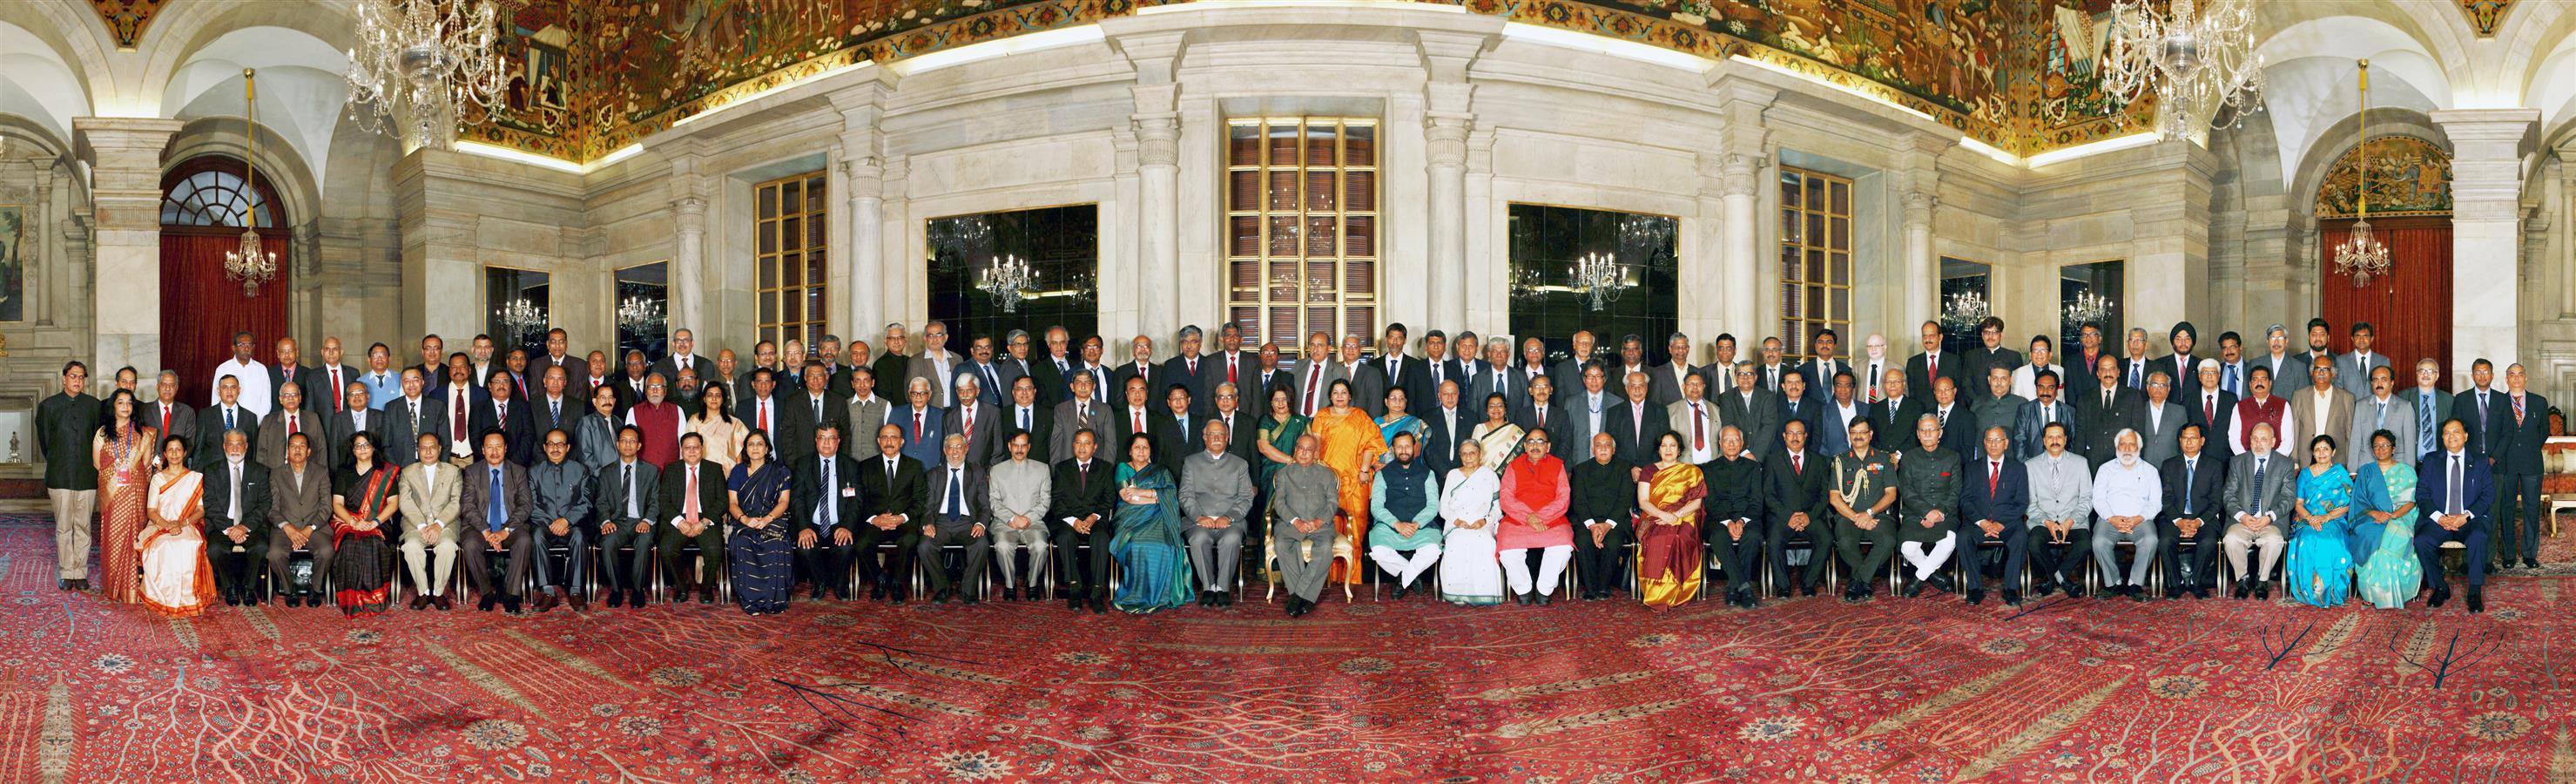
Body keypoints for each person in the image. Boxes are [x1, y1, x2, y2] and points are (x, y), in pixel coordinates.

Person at [1309, 380, 1386, 586]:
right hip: (1328, 480)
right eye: (1335, 392)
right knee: (1330, 529)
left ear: (1350, 396)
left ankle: (1353, 578)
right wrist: (1316, 464)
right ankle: (1329, 577)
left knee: (1355, 529)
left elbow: (1371, 445)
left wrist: (1364, 470)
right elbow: (1315, 441)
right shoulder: (1323, 416)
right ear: (1330, 396)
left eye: (1344, 392)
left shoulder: (1360, 416)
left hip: (1356, 480)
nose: (1340, 396)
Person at [2413, 419, 2492, 612]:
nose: (2451, 436)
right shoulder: (2432, 460)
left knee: (2478, 537)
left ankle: (2474, 591)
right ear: (2442, 437)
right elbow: (2421, 494)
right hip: (2440, 519)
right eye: (2447, 433)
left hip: (2469, 519)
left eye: (2456, 432)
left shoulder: (2480, 461)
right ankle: (2440, 586)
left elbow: (2488, 495)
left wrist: (2465, 516)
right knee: (2422, 541)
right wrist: (2439, 517)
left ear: (2466, 436)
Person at [1109, 433, 1193, 613]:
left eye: (1145, 447)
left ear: (1150, 451)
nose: (1141, 451)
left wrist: (1141, 491)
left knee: (1165, 545)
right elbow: (1127, 497)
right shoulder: (1123, 468)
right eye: (1137, 447)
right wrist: (1157, 497)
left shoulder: (1161, 471)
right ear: (1130, 451)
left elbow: (1171, 493)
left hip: (1158, 518)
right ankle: (1136, 594)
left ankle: (1161, 595)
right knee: (1135, 544)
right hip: (1130, 518)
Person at [135, 436, 217, 617]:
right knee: (163, 546)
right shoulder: (158, 479)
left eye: (178, 449)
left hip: (188, 524)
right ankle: (162, 596)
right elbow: (151, 511)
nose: (174, 453)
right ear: (164, 454)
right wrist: (167, 525)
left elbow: (201, 510)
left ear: (185, 452)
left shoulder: (195, 478)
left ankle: (189, 599)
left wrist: (181, 523)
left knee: (188, 544)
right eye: (170, 450)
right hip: (160, 525)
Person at [39, 362, 102, 591]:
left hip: (87, 476)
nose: (77, 380)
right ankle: (67, 573)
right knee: (64, 527)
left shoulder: (94, 406)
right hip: (60, 475)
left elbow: (98, 441)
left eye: (81, 377)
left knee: (84, 526)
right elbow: (45, 443)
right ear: (63, 378)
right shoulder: (48, 406)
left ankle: (80, 572)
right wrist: (60, 460)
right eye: (73, 376)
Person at [1179, 422, 1256, 606]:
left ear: (1227, 438)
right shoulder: (1191, 462)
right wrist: (1199, 517)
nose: (1216, 438)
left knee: (1231, 540)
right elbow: (1185, 495)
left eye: (1220, 434)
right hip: (1198, 521)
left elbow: (1246, 497)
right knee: (1198, 540)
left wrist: (1228, 517)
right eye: (1211, 435)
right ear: (1204, 438)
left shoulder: (1240, 464)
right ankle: (1208, 587)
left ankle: (1223, 588)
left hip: (1230, 521)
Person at [326, 431, 401, 618]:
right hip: (348, 521)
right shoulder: (344, 472)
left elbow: (393, 504)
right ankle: (352, 602)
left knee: (373, 544)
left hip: (378, 522)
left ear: (374, 447)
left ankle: (374, 600)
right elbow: (337, 504)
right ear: (352, 450)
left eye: (366, 444)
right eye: (358, 445)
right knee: (350, 544)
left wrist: (374, 522)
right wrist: (353, 522)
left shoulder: (385, 472)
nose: (362, 449)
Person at [91, 389, 155, 604]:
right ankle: (113, 587)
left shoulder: (142, 433)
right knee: (113, 537)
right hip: (113, 495)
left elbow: (145, 464)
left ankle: (133, 589)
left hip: (135, 493)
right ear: (113, 406)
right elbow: (98, 465)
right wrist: (115, 475)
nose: (126, 406)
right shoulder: (102, 433)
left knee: (135, 537)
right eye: (121, 402)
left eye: (129, 402)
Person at [459, 430, 534, 612]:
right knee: (469, 544)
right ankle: (487, 593)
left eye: (498, 447)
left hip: (510, 528)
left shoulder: (518, 471)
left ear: (506, 449)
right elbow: (467, 506)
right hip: (479, 528)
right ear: (483, 450)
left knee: (524, 541)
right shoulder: (472, 471)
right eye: (489, 447)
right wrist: (486, 531)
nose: (494, 452)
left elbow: (526, 505)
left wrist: (505, 531)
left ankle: (511, 594)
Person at [2222, 422, 2298, 599]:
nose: (2258, 444)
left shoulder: (2285, 464)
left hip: (2270, 521)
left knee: (2274, 541)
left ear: (2273, 442)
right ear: (2250, 440)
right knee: (2231, 539)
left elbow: (2289, 498)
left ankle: (2262, 581)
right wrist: (2242, 516)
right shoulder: (2237, 462)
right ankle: (2243, 579)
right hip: (2243, 521)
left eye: (2263, 440)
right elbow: (2228, 494)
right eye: (2255, 439)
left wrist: (2269, 517)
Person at [1497, 429, 1573, 604]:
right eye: (1531, 442)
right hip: (1517, 519)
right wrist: (1528, 517)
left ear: (1548, 446)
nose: (1535, 446)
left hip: (1552, 520)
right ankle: (1523, 588)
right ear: (1524, 446)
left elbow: (1563, 498)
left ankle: (1544, 588)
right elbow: (1506, 497)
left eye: (1540, 442)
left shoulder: (1557, 465)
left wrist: (1541, 517)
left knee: (1563, 545)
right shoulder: (1513, 466)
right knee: (1507, 547)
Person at [722, 430, 793, 616]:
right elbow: (732, 503)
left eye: (759, 444)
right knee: (744, 542)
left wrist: (768, 519)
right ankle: (751, 602)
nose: (755, 448)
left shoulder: (780, 470)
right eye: (751, 444)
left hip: (773, 519)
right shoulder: (738, 471)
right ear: (745, 448)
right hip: (744, 520)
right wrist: (745, 519)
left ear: (767, 448)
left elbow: (784, 502)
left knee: (777, 543)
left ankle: (775, 601)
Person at [1632, 432, 1706, 610]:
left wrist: (1677, 515)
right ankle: (1657, 594)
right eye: (1664, 446)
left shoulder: (1692, 471)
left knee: (1679, 538)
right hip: (1653, 516)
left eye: (1672, 446)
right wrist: (1663, 515)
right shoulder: (1649, 470)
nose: (1668, 450)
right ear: (1658, 449)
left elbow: (1697, 502)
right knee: (1657, 538)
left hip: (1685, 515)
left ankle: (1678, 591)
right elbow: (1643, 502)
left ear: (1679, 449)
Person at [589, 426, 659, 609]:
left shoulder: (651, 471)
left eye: (632, 441)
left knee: (644, 542)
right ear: (618, 444)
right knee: (608, 542)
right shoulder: (606, 472)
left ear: (639, 446)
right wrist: (605, 521)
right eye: (624, 441)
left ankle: (638, 591)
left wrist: (646, 520)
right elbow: (601, 502)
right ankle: (617, 590)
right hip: (616, 522)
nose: (628, 444)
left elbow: (655, 502)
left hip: (640, 521)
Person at [1269, 434, 1339, 616]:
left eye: (1309, 450)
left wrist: (1319, 521)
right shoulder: (1284, 473)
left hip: (1321, 525)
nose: (1304, 453)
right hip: (1290, 524)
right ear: (1295, 449)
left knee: (1324, 548)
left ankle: (1298, 596)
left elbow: (1332, 502)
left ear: (1315, 453)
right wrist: (1295, 521)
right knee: (1282, 544)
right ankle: (1306, 598)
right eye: (1301, 448)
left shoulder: (1326, 474)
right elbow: (1279, 503)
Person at [1826, 416, 1896, 601]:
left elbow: (1891, 494)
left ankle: (1858, 580)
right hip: (1849, 517)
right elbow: (1834, 498)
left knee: (1888, 540)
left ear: (1870, 434)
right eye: (1854, 433)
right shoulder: (1840, 461)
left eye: (1862, 432)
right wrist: (1857, 517)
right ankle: (1865, 582)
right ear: (1849, 435)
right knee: (1846, 543)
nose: (1858, 437)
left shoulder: (1884, 459)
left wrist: (1869, 513)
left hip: (1878, 516)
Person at [917, 434, 992, 604]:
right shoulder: (933, 474)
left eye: (959, 447)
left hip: (968, 523)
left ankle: (967, 590)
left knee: (981, 544)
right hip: (940, 522)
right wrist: (928, 523)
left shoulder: (977, 473)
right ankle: (942, 588)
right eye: (951, 447)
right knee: (925, 545)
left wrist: (980, 524)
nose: (955, 452)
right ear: (945, 450)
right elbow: (927, 505)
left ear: (966, 449)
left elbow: (985, 505)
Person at [792, 422, 864, 602]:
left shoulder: (850, 465)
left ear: (838, 442)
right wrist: (804, 527)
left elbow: (857, 501)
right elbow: (797, 499)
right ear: (816, 441)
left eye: (831, 438)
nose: (826, 443)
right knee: (805, 548)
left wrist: (847, 526)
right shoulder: (803, 464)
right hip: (813, 523)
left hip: (838, 523)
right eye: (822, 438)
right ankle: (820, 582)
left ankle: (839, 583)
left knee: (845, 547)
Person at [1959, 426, 2029, 605]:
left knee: (2021, 537)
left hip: (2007, 523)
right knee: (1962, 538)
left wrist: (2001, 523)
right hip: (1979, 522)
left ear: (2006, 443)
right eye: (1989, 440)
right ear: (1984, 443)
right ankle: (1975, 588)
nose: (1993, 444)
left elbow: (2022, 502)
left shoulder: (2018, 468)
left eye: (1998, 440)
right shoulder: (1972, 467)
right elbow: (1965, 500)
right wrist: (1982, 522)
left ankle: (2011, 589)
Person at [1050, 429, 1118, 612]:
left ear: (1094, 447)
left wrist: (1093, 517)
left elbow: (1108, 498)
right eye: (1078, 442)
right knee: (1065, 537)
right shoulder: (1062, 468)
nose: (1082, 447)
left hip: (1095, 519)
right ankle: (1074, 588)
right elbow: (1056, 500)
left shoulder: (1105, 468)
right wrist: (1074, 521)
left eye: (1087, 443)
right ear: (1073, 445)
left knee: (1101, 538)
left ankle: (1096, 591)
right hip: (1069, 520)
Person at [2353, 429, 2423, 609]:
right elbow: (2359, 501)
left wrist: (2393, 515)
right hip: (2371, 518)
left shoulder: (2406, 471)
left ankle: (2397, 592)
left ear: (2393, 448)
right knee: (2371, 538)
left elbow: (2412, 501)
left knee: (2396, 536)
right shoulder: (2366, 471)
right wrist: (2376, 514)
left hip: (2401, 516)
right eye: (2376, 446)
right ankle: (2371, 593)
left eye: (2385, 445)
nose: (2381, 449)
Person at [1366, 431, 1440, 599]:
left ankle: (1403, 580)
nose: (1403, 450)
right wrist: (1396, 524)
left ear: (1414, 448)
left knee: (1433, 550)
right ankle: (1412, 578)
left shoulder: (1427, 473)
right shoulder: (1382, 474)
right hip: (1389, 527)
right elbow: (1376, 506)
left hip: (1422, 527)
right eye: (1399, 447)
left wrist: (1417, 523)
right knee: (1378, 550)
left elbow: (1434, 505)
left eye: (1407, 446)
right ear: (1393, 449)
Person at [2089, 429, 2162, 600]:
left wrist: (2138, 518)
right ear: (2117, 447)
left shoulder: (2150, 471)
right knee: (2099, 542)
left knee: (2150, 540)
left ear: (2139, 448)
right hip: (2110, 520)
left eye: (2132, 445)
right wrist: (2112, 518)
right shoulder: (2105, 469)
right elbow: (2098, 499)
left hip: (2140, 520)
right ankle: (2113, 582)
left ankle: (2134, 584)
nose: (2127, 449)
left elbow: (2156, 502)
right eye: (2123, 444)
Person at [857, 423, 926, 604]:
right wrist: (874, 519)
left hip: (903, 521)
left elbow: (920, 500)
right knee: (861, 543)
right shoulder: (865, 466)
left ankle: (897, 583)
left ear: (902, 442)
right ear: (879, 441)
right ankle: (879, 578)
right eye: (885, 438)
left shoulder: (914, 466)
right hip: (876, 521)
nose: (889, 442)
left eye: (894, 437)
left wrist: (902, 517)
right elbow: (859, 500)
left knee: (909, 541)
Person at [2156, 424, 2226, 599]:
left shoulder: (2214, 466)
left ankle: (2196, 582)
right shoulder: (2169, 465)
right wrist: (2179, 521)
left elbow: (2216, 502)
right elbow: (2166, 499)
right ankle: (2176, 583)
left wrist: (2197, 522)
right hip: (2175, 518)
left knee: (2209, 541)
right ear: (2180, 441)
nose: (2189, 442)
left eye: (2193, 438)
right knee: (2164, 541)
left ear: (2202, 441)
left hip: (2204, 519)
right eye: (2185, 438)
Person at [1894, 414, 1961, 598]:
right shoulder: (1908, 458)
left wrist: (1938, 512)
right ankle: (1934, 575)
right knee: (1907, 547)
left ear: (1940, 433)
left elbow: (1955, 491)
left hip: (1945, 514)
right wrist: (1926, 512)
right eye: (1923, 430)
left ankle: (1918, 579)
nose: (1927, 433)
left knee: (1949, 542)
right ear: (1917, 434)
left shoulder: (1953, 457)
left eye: (1932, 429)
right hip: (1916, 514)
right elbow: (1907, 492)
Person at [1764, 420, 1832, 597]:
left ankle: (1808, 582)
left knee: (1826, 539)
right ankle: (1783, 586)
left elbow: (1825, 496)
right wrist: (1789, 516)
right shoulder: (1773, 460)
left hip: (1811, 517)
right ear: (1784, 436)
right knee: (1773, 541)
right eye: (1791, 433)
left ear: (1806, 436)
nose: (1795, 437)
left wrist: (1809, 516)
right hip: (1783, 517)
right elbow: (1769, 495)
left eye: (1799, 433)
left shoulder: (1818, 461)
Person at [527, 429, 592, 612]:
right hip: (544, 525)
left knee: (579, 536)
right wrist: (552, 523)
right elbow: (531, 505)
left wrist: (566, 521)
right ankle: (548, 593)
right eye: (551, 444)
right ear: (545, 447)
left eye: (561, 444)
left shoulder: (580, 470)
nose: (556, 448)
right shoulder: (534, 472)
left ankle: (576, 591)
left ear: (568, 447)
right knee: (537, 536)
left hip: (571, 526)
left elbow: (586, 502)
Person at [2024, 422, 2092, 598]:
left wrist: (2069, 522)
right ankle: (2062, 580)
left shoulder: (2081, 463)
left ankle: (2054, 578)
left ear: (2066, 440)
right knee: (2033, 542)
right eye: (2050, 437)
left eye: (2059, 437)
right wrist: (2048, 523)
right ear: (2044, 441)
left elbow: (2086, 499)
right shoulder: (2030, 466)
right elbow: (2030, 503)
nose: (2055, 441)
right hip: (2043, 521)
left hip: (2073, 521)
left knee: (2086, 543)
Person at [204, 429, 271, 605]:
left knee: (261, 547)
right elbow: (210, 505)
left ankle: (249, 588)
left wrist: (244, 526)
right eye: (230, 444)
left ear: (246, 446)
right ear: (224, 447)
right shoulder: (211, 471)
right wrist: (230, 528)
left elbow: (265, 503)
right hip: (222, 526)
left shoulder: (260, 471)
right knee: (215, 549)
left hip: (251, 525)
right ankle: (230, 587)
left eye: (239, 444)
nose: (235, 448)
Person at [266, 432, 334, 607]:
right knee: (274, 554)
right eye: (293, 446)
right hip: (285, 529)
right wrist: (287, 527)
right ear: (287, 450)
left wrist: (309, 528)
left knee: (326, 551)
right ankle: (290, 590)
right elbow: (273, 509)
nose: (297, 449)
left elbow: (326, 507)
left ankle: (315, 589)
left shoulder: (321, 472)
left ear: (309, 451)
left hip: (315, 528)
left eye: (302, 445)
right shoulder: (276, 473)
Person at [987, 430, 1055, 602]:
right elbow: (994, 502)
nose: (1019, 449)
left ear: (1029, 447)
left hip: (1033, 523)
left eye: (1023, 445)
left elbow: (1045, 501)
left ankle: (1032, 584)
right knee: (1002, 545)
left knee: (1040, 545)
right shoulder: (997, 470)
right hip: (1005, 523)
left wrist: (1028, 518)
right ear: (1009, 446)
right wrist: (1012, 518)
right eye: (1016, 445)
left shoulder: (1042, 468)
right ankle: (1010, 585)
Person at [2287, 435, 2355, 607]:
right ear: (2313, 453)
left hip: (2334, 520)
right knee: (2309, 539)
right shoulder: (2305, 474)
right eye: (2317, 449)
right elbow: (2298, 504)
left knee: (2330, 540)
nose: (2321, 453)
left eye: (2325, 449)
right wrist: (2310, 518)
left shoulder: (2340, 474)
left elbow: (2348, 504)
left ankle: (2332, 590)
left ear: (2333, 452)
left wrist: (2326, 517)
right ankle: (2310, 590)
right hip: (2307, 519)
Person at [399, 432, 463, 611]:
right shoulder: (407, 472)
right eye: (423, 448)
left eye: (432, 447)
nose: (428, 452)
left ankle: (438, 592)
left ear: (440, 448)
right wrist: (421, 526)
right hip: (415, 524)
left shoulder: (453, 471)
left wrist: (438, 524)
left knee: (448, 546)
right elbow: (405, 502)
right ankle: (423, 592)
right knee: (411, 546)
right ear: (418, 450)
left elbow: (456, 502)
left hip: (445, 523)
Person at [1568, 432, 1635, 600]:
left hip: (1616, 521)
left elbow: (1624, 500)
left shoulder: (1624, 468)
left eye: (1607, 445)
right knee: (1583, 542)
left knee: (1612, 543)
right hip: (1586, 521)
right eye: (1599, 445)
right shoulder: (1581, 470)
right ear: (1593, 449)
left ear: (1614, 449)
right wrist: (1592, 526)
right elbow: (1579, 501)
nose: (1603, 449)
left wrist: (1607, 525)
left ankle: (1604, 586)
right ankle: (1591, 588)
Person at [2497, 363, 2548, 570]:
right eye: (2512, 375)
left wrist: (2528, 448)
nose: (2516, 378)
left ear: (2525, 378)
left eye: (2520, 375)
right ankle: (2509, 555)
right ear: (2506, 379)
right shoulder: (2499, 402)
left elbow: (2543, 433)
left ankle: (2529, 554)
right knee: (2506, 508)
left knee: (2531, 508)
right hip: (2506, 463)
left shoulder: (2539, 402)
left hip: (2531, 463)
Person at [256, 382, 331, 470]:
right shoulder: (269, 421)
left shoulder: (313, 419)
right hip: (277, 474)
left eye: (294, 395)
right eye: (286, 395)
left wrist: (320, 475)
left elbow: (321, 449)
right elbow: (261, 452)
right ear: (281, 399)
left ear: (300, 398)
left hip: (309, 474)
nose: (290, 398)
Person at [686, 381, 748, 474]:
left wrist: (738, 475)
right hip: (703, 473)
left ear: (723, 399)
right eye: (710, 395)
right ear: (704, 399)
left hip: (728, 473)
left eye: (718, 396)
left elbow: (739, 453)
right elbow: (688, 448)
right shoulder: (695, 420)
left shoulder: (734, 423)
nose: (714, 398)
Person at [624, 375, 684, 468]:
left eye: (659, 387)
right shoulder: (634, 411)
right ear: (646, 390)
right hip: (643, 470)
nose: (655, 391)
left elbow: (683, 442)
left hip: (672, 469)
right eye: (651, 387)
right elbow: (629, 445)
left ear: (665, 391)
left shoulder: (677, 410)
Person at [212, 331, 274, 419]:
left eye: (249, 345)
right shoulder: (223, 369)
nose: (246, 348)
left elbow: (266, 401)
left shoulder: (261, 369)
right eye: (242, 345)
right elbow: (216, 398)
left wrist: (256, 422)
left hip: (255, 423)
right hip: (228, 422)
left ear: (253, 347)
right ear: (234, 348)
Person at [1468, 392, 1527, 470]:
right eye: (1492, 406)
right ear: (1487, 411)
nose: (1496, 409)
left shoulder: (1514, 430)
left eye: (1500, 406)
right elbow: (1473, 454)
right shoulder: (1480, 428)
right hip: (1484, 475)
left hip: (1510, 476)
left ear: (1505, 410)